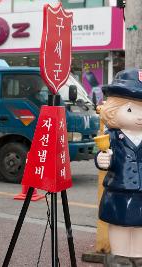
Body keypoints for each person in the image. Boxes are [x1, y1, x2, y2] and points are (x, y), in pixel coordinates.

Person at [95, 68, 142, 266]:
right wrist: (102, 159)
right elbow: (102, 155)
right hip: (119, 191)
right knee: (119, 224)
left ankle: (139, 256)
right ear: (113, 110)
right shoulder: (112, 137)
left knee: (140, 226)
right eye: (131, 110)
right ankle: (121, 256)